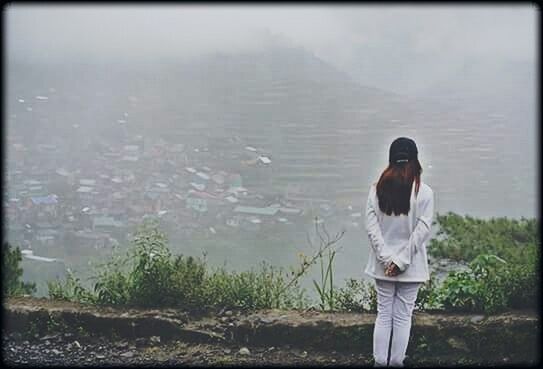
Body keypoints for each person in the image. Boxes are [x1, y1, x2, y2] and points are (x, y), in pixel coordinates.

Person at [364, 137, 434, 367]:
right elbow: (422, 230)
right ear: (415, 161)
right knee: (403, 317)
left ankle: (379, 363)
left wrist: (386, 260)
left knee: (384, 315)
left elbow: (372, 229)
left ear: (390, 160)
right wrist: (402, 261)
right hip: (411, 267)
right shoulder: (425, 193)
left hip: (382, 267)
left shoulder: (376, 191)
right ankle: (396, 363)